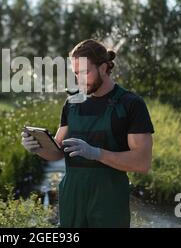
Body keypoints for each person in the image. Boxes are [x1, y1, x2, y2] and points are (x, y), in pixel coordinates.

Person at [21, 39, 154, 228]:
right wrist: (38, 147)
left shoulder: (130, 104)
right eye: (76, 73)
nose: (79, 79)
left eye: (85, 72)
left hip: (108, 202)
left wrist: (97, 153)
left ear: (103, 67)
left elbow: (142, 162)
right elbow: (58, 151)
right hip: (72, 200)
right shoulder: (72, 103)